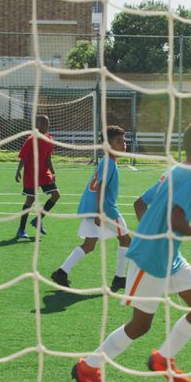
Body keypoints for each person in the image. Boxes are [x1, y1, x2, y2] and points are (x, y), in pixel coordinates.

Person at [72, 119, 191, 382]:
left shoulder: (176, 171)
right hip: (152, 260)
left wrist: (150, 231)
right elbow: (175, 217)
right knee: (140, 325)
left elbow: (141, 203)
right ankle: (89, 366)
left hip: (171, 257)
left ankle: (163, 358)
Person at [52, 125, 132, 292]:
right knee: (126, 240)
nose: (123, 144)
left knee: (89, 244)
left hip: (89, 206)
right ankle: (119, 278)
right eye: (119, 141)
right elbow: (101, 187)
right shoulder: (109, 163)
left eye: (124, 140)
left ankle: (61, 272)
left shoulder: (105, 160)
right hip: (105, 209)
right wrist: (99, 213)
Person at [15, 115, 59, 239]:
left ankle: (38, 220)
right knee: (30, 200)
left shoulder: (49, 139)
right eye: (44, 124)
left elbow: (48, 158)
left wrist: (53, 172)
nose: (47, 126)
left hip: (44, 174)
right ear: (36, 126)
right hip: (31, 174)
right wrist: (18, 171)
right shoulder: (31, 140)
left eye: (48, 123)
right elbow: (23, 157)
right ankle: (21, 230)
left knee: (56, 195)